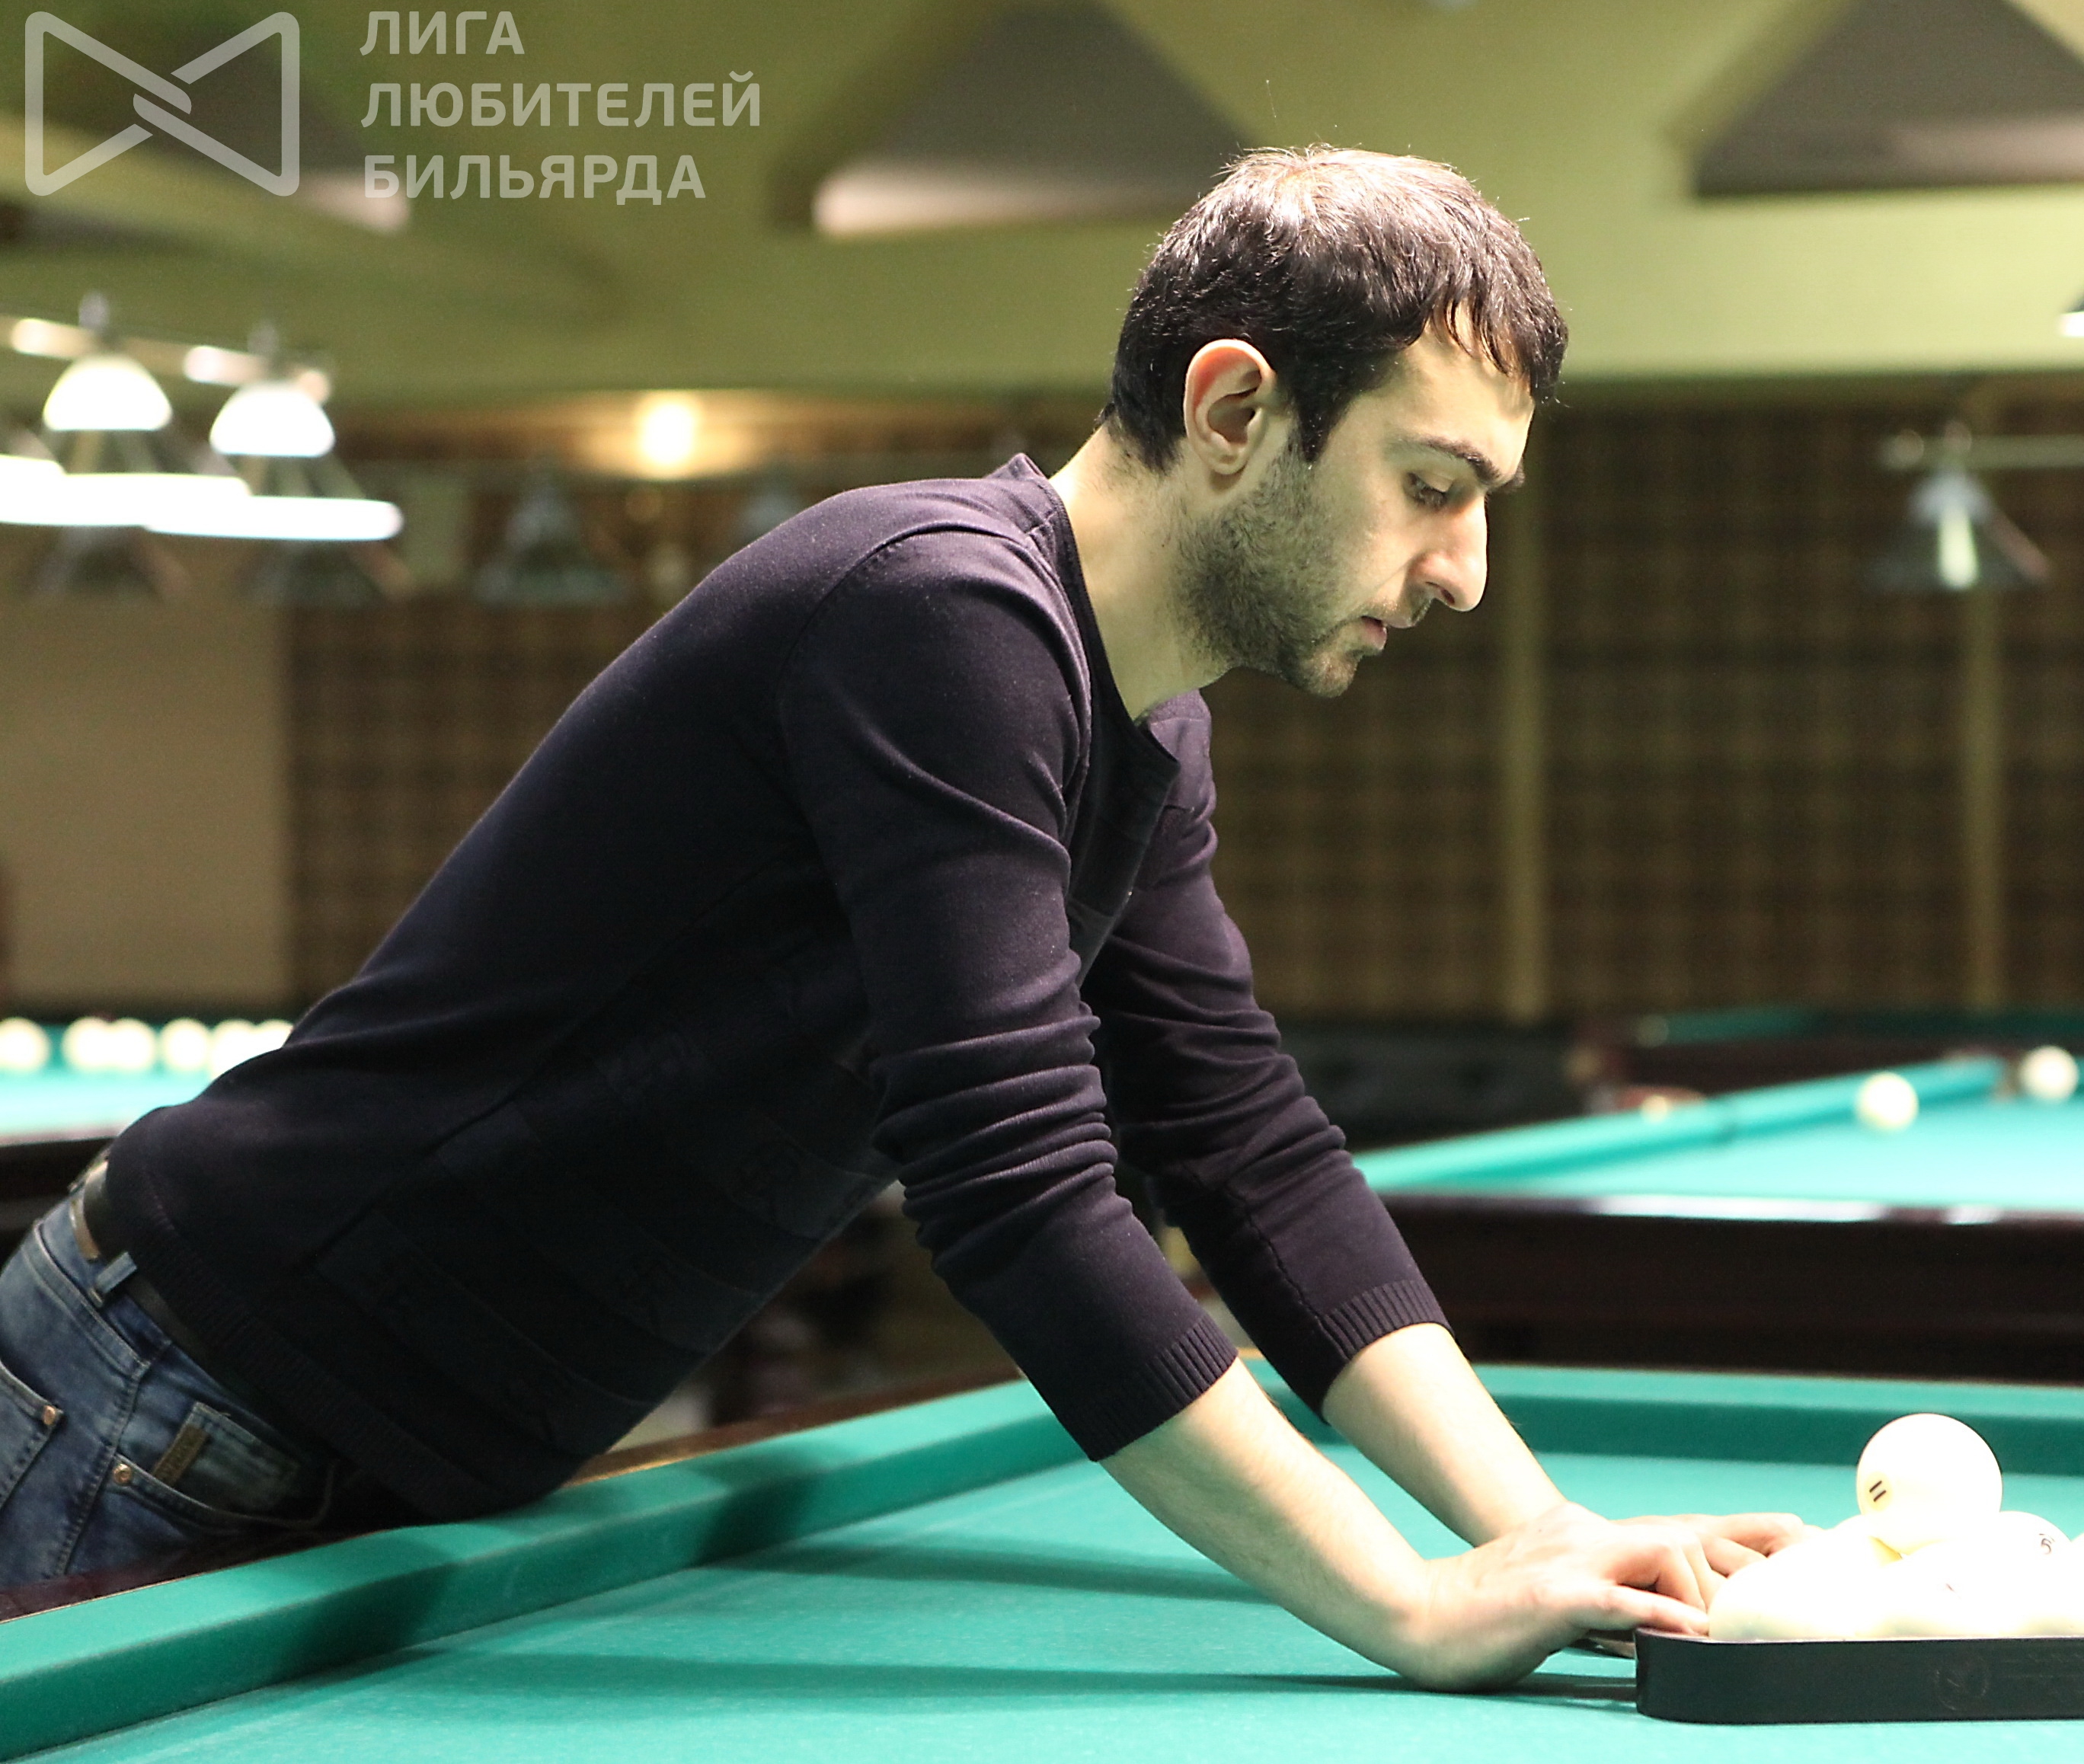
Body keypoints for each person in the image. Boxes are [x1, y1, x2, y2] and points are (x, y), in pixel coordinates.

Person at [0, 145, 1797, 1686]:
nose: (1464, 574)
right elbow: (1015, 1185)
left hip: (376, 1433)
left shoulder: (1143, 729)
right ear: (1237, 412)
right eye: (1432, 487)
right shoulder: (936, 613)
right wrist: (1404, 1603)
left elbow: (1244, 1149)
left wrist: (1538, 1533)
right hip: (179, 1386)